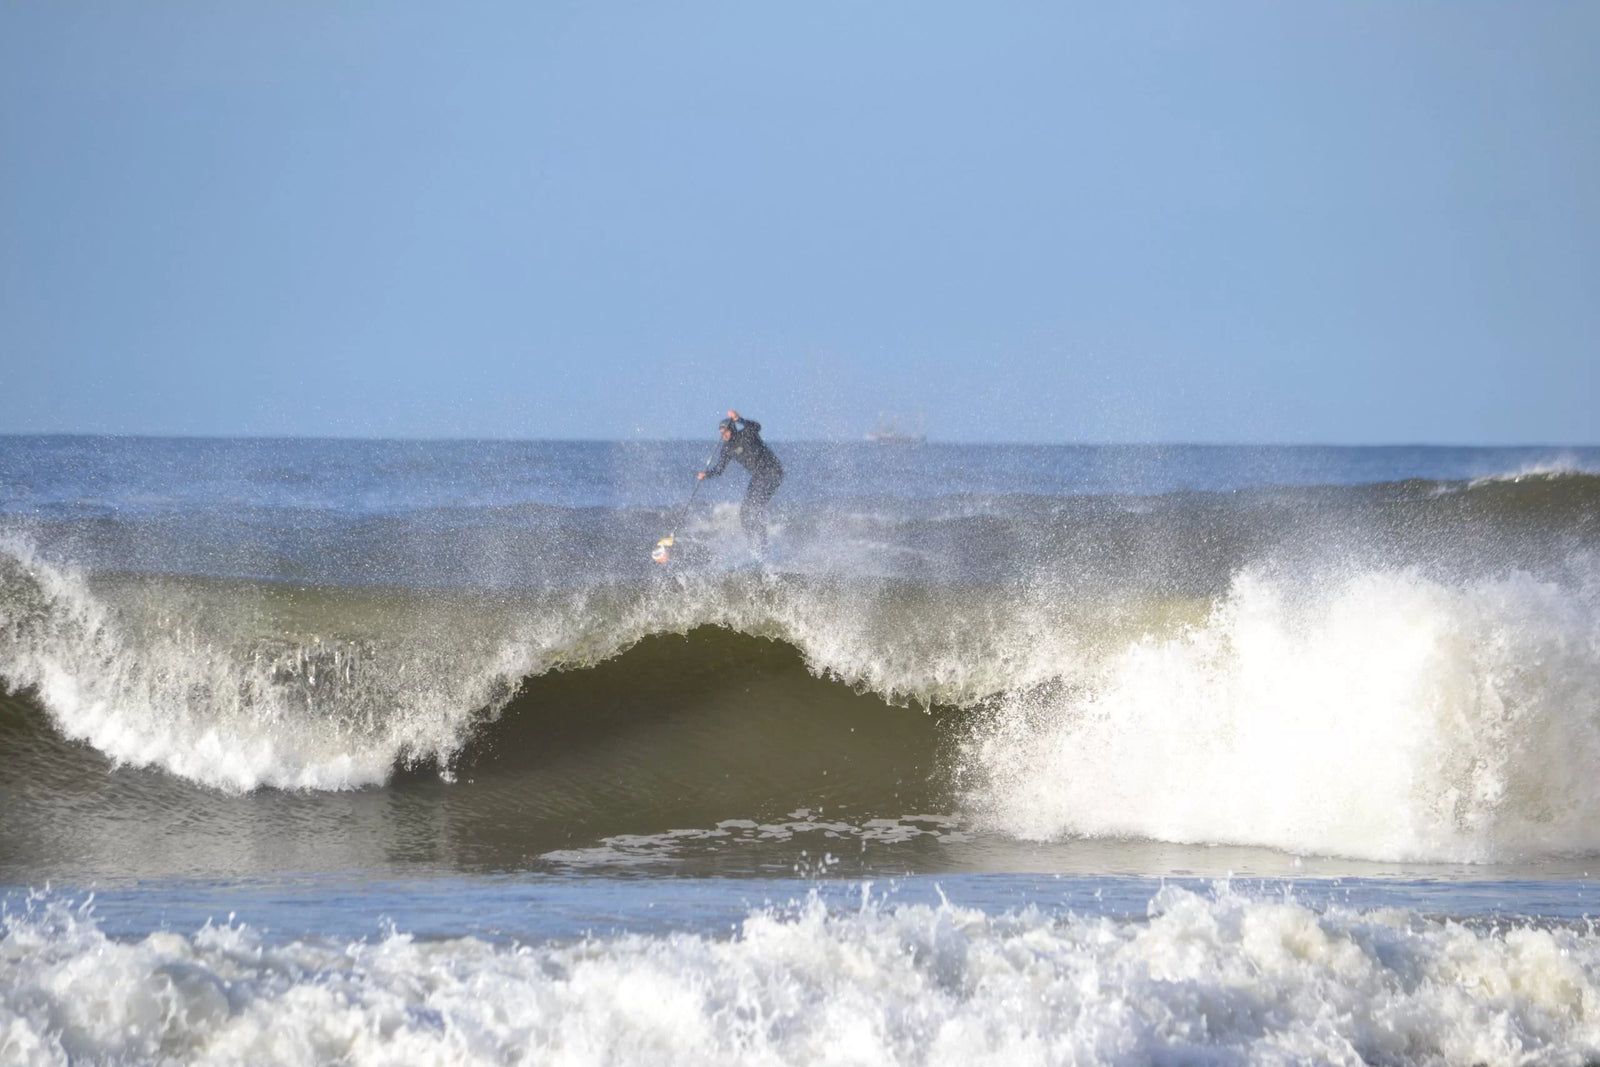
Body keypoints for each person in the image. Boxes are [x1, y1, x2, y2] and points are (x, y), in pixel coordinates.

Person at [698, 409, 783, 553]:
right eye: (721, 433)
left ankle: (763, 545)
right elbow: (719, 470)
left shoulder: (747, 434)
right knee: (744, 513)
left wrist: (739, 419)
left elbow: (757, 426)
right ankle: (755, 546)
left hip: (773, 473)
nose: (724, 435)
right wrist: (707, 474)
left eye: (726, 432)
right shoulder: (727, 448)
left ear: (732, 429)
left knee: (756, 507)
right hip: (758, 477)